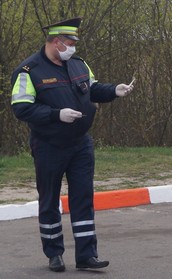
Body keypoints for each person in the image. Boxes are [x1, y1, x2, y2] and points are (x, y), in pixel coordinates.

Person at [9, 17, 135, 273]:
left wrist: (114, 91)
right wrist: (56, 115)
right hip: (49, 145)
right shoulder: (28, 71)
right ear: (56, 42)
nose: (73, 48)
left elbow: (91, 88)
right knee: (49, 200)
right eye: (69, 43)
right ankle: (54, 254)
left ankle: (87, 256)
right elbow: (21, 108)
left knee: (83, 199)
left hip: (80, 144)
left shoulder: (77, 64)